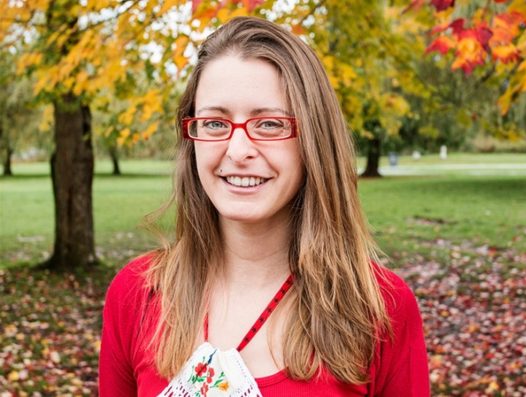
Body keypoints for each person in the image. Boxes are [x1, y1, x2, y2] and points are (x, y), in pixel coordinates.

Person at [99, 16, 429, 397]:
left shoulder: (380, 309)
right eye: (214, 123)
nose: (238, 151)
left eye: (269, 124)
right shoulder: (136, 294)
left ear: (314, 140)